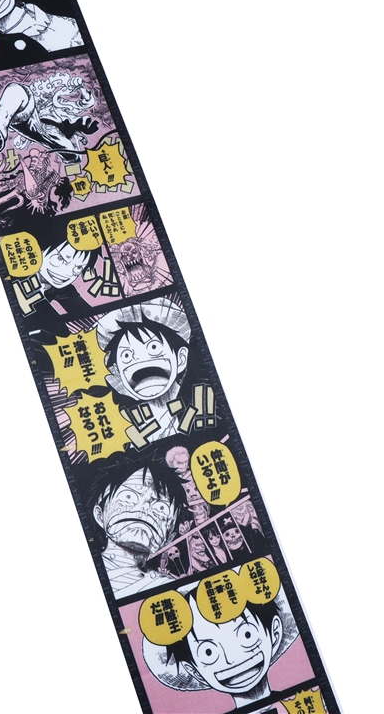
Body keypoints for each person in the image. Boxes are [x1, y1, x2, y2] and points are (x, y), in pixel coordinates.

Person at [142, 579, 298, 712]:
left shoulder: (298, 700)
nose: (231, 659)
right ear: (194, 671)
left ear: (274, 634)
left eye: (247, 634)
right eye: (208, 652)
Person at [96, 298, 192, 443]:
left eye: (154, 347)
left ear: (181, 359)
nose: (140, 360)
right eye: (127, 356)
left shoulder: (196, 402)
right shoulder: (125, 423)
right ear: (117, 374)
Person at [91, 457, 188, 599]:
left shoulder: (171, 589)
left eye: (161, 507)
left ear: (170, 537)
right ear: (100, 515)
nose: (144, 509)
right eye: (128, 496)